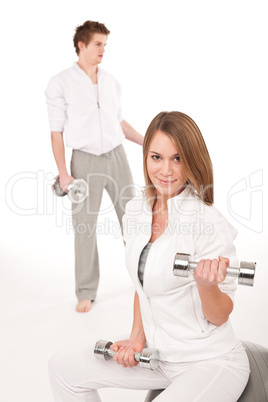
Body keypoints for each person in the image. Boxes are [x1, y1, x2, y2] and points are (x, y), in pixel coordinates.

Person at [48, 112, 250, 401]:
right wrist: (136, 338)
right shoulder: (136, 210)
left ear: (192, 160)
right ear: (145, 158)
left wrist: (207, 285)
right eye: (157, 157)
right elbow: (143, 285)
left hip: (209, 360)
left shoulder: (208, 223)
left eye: (177, 158)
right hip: (157, 356)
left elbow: (219, 316)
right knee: (62, 368)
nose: (166, 170)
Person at [45, 20, 143, 313]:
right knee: (85, 226)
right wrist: (64, 173)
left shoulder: (111, 81)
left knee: (133, 220)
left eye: (105, 45)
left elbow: (119, 123)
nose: (103, 50)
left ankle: (144, 279)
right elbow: (56, 131)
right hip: (84, 160)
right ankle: (86, 291)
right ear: (82, 45)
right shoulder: (60, 83)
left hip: (117, 156)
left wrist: (148, 141)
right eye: (98, 44)